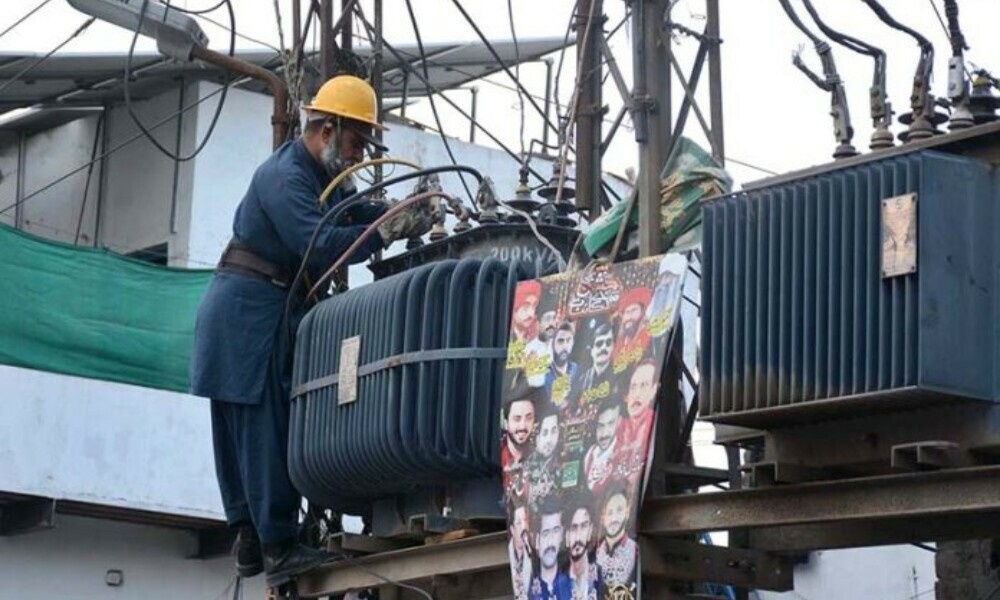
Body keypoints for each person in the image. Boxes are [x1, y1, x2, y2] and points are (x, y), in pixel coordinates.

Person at [189, 75, 433, 578]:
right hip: (248, 311)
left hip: (258, 309)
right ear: (326, 129)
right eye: (354, 140)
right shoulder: (286, 176)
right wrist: (385, 229)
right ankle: (277, 545)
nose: (359, 151)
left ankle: (254, 542)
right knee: (260, 427)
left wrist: (396, 211)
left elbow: (353, 210)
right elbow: (321, 243)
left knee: (252, 427)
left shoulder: (322, 177)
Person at [617, 360, 660, 489]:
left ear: (653, 390)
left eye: (644, 386)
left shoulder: (655, 423)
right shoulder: (619, 428)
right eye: (633, 387)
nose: (637, 394)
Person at [595, 484, 638, 592]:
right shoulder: (594, 553)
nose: (614, 518)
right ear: (602, 517)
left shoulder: (633, 550)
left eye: (619, 510)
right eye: (609, 513)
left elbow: (619, 581)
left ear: (627, 512)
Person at [530, 497, 573, 600]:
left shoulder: (572, 587)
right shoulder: (528, 593)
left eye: (555, 531)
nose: (550, 541)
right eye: (545, 533)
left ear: (562, 535)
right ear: (536, 541)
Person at [583, 398, 623, 495]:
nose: (604, 433)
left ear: (619, 422)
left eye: (610, 424)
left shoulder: (622, 452)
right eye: (601, 426)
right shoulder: (590, 454)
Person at [502, 392, 538, 501]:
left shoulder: (538, 456)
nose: (523, 426)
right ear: (505, 423)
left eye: (528, 418)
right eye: (517, 419)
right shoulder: (498, 455)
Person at [565, 495, 602, 600]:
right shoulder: (558, 583)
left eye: (584, 527)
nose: (578, 536)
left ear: (590, 531)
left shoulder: (600, 577)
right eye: (574, 528)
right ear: (566, 536)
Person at [526, 404, 562, 510]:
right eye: (545, 433)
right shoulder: (526, 465)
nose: (549, 440)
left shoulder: (563, 460)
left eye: (554, 431)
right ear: (537, 437)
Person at [611, 287, 652, 376]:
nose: (629, 316)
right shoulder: (617, 342)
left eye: (633, 310)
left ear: (642, 313)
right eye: (626, 312)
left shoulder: (649, 338)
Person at [545, 322, 578, 408]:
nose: (565, 346)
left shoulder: (576, 369)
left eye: (568, 341)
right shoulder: (545, 374)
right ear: (553, 344)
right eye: (560, 341)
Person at [508, 499, 534, 600]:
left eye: (525, 521)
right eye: (519, 523)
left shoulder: (533, 551)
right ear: (512, 530)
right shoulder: (511, 554)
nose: (524, 528)